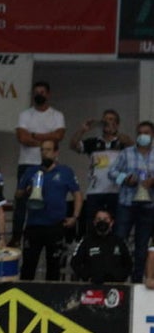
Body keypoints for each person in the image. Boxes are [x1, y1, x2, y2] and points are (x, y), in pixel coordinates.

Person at [16, 138, 82, 281]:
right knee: (28, 265)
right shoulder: (31, 171)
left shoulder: (65, 172)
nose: (44, 153)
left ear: (56, 152)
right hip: (34, 225)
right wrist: (28, 190)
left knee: (54, 266)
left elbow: (77, 194)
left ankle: (51, 299)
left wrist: (75, 216)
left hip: (56, 225)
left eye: (48, 150)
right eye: (42, 150)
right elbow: (18, 194)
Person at [12, 80, 66, 246]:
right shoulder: (25, 115)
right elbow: (23, 138)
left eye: (42, 92)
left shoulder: (57, 115)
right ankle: (16, 237)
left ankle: (48, 235)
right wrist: (46, 138)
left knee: (48, 199)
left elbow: (58, 137)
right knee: (21, 201)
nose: (39, 95)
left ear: (48, 94)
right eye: (36, 92)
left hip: (49, 165)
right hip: (27, 163)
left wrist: (34, 136)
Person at [107, 120, 154, 283]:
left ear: (152, 135)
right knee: (119, 241)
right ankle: (116, 279)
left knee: (142, 247)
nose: (143, 136)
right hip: (126, 204)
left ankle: (136, 281)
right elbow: (111, 172)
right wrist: (126, 179)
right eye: (140, 132)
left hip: (149, 206)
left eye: (146, 133)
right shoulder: (126, 153)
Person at [71, 110, 129, 237]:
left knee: (116, 228)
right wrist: (83, 130)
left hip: (116, 191)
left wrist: (116, 133)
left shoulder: (123, 142)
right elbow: (73, 145)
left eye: (111, 119)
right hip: (95, 191)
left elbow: (133, 147)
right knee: (92, 228)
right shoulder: (92, 142)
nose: (107, 121)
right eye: (105, 119)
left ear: (117, 124)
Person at [70, 209, 131, 284]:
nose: (102, 221)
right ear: (94, 222)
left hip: (115, 286)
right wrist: (87, 277)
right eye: (98, 219)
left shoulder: (119, 242)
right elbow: (75, 263)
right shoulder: (86, 241)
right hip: (92, 285)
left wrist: (120, 277)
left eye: (105, 219)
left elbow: (128, 264)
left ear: (111, 222)